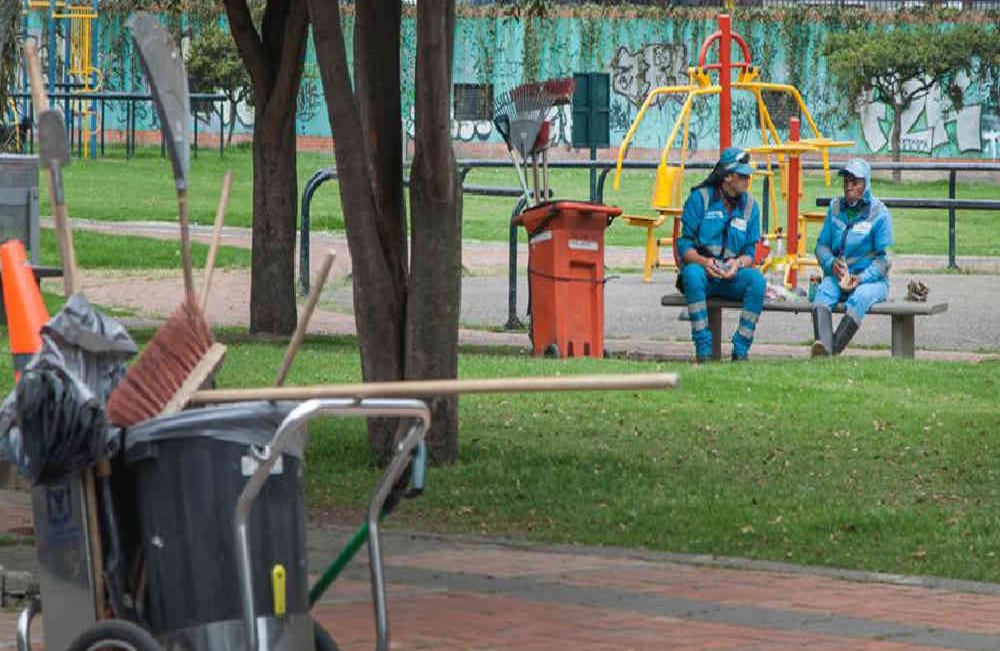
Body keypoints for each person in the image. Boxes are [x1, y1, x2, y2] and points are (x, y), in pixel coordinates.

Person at [676, 147, 766, 362]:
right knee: (692, 274)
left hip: (732, 277)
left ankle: (741, 349)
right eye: (742, 175)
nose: (747, 180)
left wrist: (738, 264)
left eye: (748, 175)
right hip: (704, 275)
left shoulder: (751, 207)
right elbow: (684, 246)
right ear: (727, 177)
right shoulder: (699, 199)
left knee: (757, 281)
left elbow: (750, 253)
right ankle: (703, 348)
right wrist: (703, 262)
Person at [811, 158, 893, 356]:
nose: (849, 187)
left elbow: (885, 261)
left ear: (866, 185)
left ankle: (830, 351)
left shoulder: (880, 214)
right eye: (846, 182)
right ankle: (824, 347)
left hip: (872, 282)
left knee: (860, 297)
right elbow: (821, 246)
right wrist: (831, 264)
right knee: (822, 294)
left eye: (854, 182)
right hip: (838, 277)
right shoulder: (836, 208)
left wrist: (861, 278)